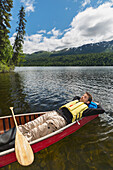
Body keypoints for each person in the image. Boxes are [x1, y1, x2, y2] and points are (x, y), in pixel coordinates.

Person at [0, 92, 105, 152]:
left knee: (32, 134)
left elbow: (101, 110)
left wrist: (94, 103)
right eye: (83, 95)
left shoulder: (86, 109)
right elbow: (76, 97)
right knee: (26, 126)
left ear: (88, 102)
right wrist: (85, 99)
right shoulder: (76, 101)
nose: (82, 96)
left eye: (85, 97)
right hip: (52, 113)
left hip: (59, 121)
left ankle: (3, 148)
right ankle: (1, 139)